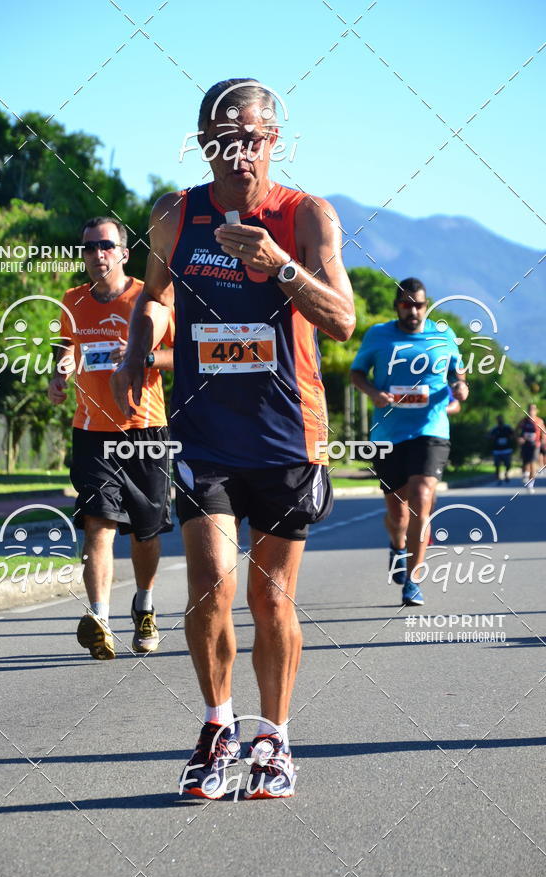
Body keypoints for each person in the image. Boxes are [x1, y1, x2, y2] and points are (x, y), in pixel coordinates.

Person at [112, 79, 355, 799]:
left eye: (251, 136)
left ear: (273, 140)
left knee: (271, 599)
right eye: (223, 136)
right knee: (210, 587)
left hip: (286, 435)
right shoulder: (174, 215)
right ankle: (218, 727)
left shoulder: (305, 214)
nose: (238, 150)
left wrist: (277, 266)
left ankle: (274, 739)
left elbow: (342, 318)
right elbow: (155, 299)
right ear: (202, 142)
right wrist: (134, 346)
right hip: (203, 434)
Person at [48, 216, 173, 660]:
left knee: (145, 532)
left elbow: (184, 356)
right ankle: (99, 618)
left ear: (123, 252)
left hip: (145, 429)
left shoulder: (150, 297)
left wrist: (144, 356)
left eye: (105, 245)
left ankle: (144, 606)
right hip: (91, 432)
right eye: (87, 247)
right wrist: (58, 374)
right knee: (98, 523)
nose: (96, 254)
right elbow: (64, 346)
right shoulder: (72, 300)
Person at [350, 277, 469, 606]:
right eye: (406, 304)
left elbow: (458, 378)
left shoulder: (443, 336)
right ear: (396, 306)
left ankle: (414, 580)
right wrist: (374, 393)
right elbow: (356, 373)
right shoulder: (378, 335)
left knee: (421, 496)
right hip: (387, 433)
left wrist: (460, 391)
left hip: (431, 429)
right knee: (397, 514)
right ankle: (397, 546)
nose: (413, 310)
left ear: (426, 306)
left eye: (418, 304)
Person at [516, 403, 545, 493]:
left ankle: (530, 484)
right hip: (525, 445)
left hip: (535, 445)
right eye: (530, 409)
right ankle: (525, 474)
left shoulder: (539, 421)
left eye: (533, 409)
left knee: (533, 463)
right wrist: (519, 438)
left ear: (536, 411)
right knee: (526, 463)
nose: (531, 411)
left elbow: (544, 432)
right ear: (527, 410)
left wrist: (543, 441)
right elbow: (516, 431)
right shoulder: (524, 421)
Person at [490, 415, 514, 483]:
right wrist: (493, 438)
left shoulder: (507, 428)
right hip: (497, 450)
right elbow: (490, 436)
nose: (500, 421)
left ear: (503, 420)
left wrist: (510, 438)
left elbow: (513, 435)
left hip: (506, 449)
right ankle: (498, 477)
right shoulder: (494, 429)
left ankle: (506, 473)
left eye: (501, 419)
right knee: (497, 464)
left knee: (508, 464)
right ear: (497, 420)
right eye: (498, 419)